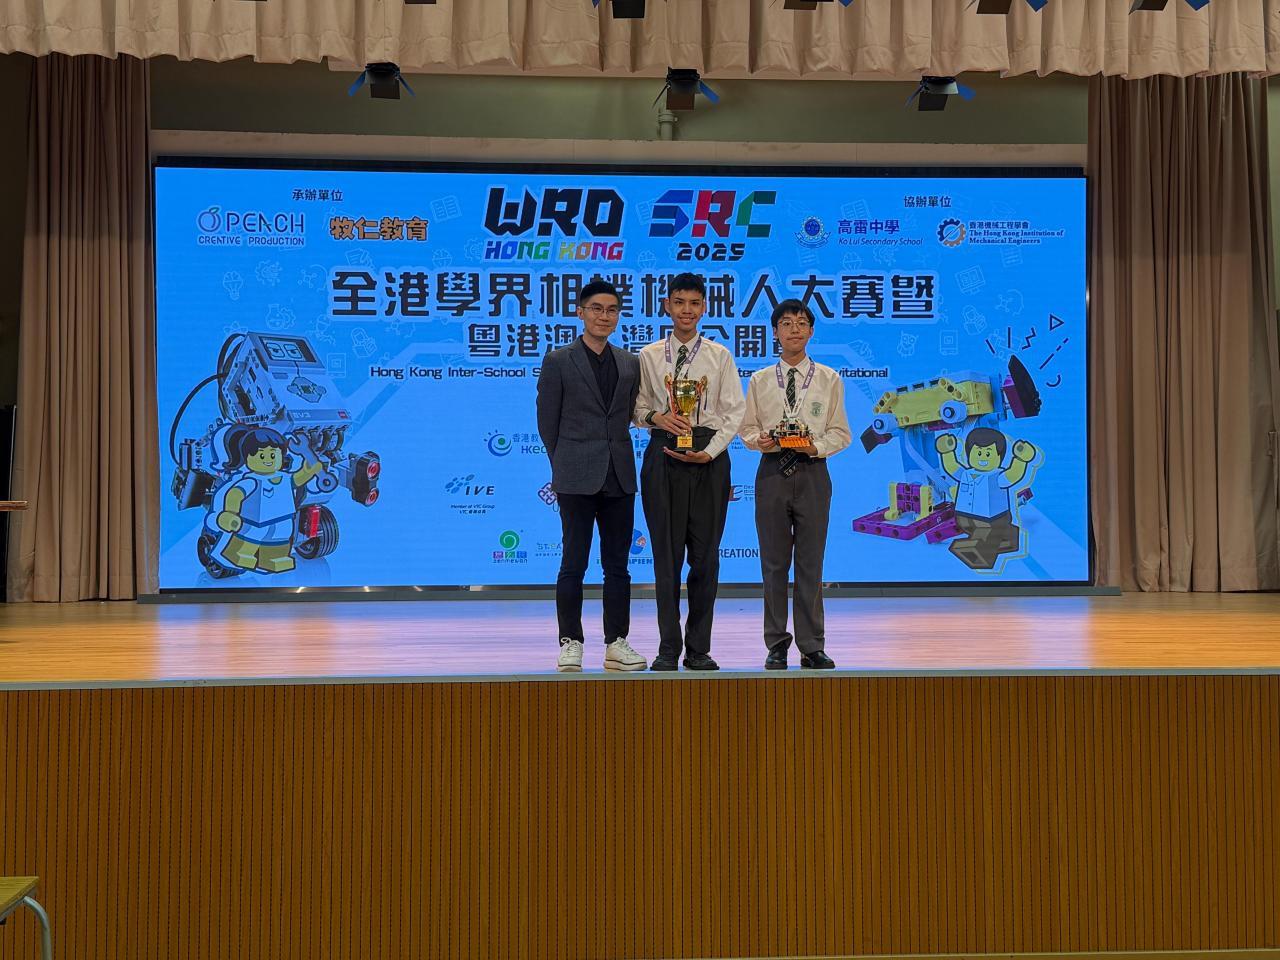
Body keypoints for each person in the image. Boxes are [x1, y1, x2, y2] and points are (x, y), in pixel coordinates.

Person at [634, 273, 745, 671]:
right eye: (679, 302)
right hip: (663, 452)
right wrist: (657, 418)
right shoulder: (648, 356)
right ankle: (668, 647)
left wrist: (710, 452)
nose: (686, 310)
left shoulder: (720, 355)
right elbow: (636, 408)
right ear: (667, 305)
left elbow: (734, 412)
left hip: (708, 457)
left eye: (694, 303)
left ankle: (698, 648)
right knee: (665, 558)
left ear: (704, 308)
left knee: (706, 558)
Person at [536, 280, 647, 673]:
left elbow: (631, 413)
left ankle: (616, 642)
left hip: (619, 475)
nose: (604, 316)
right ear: (580, 312)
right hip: (575, 477)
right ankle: (571, 642)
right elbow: (547, 424)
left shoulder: (630, 362)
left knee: (618, 566)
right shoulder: (559, 360)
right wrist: (565, 463)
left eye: (612, 310)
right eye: (596, 308)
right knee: (573, 563)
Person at [739, 299, 851, 670]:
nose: (794, 329)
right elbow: (747, 429)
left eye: (801, 323)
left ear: (811, 331)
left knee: (810, 563)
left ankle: (811, 645)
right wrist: (760, 440)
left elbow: (841, 432)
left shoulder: (829, 379)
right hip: (772, 472)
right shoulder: (759, 380)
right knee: (773, 565)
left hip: (812, 472)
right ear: (775, 332)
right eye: (786, 323)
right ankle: (776, 644)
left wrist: (814, 447)